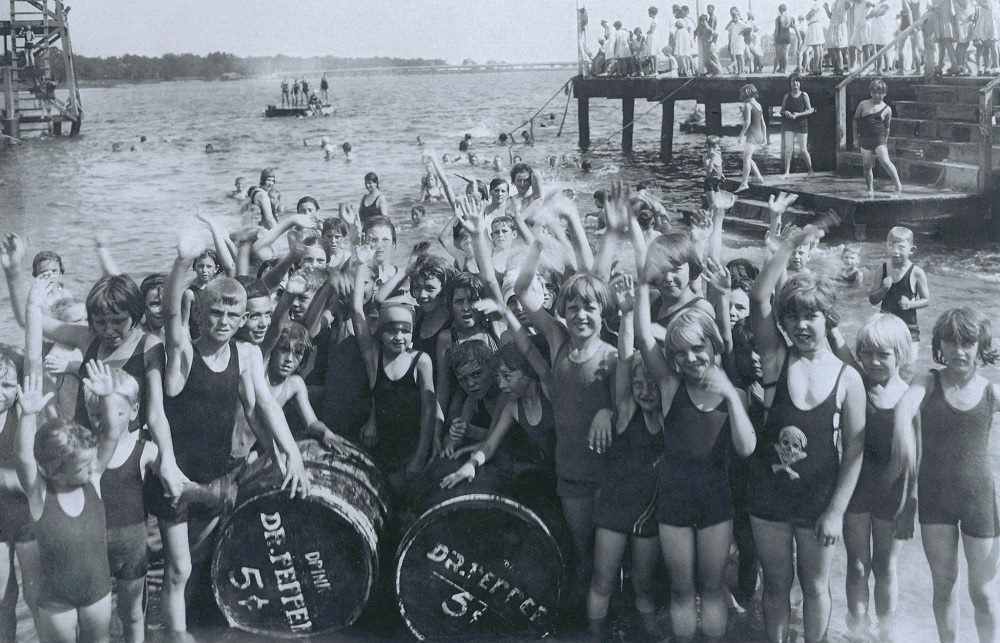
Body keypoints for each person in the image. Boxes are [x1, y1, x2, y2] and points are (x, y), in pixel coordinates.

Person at [160, 234, 309, 633]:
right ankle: (172, 632)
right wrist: (181, 262)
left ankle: (192, 627)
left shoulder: (246, 354)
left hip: (216, 474)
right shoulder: (185, 352)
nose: (223, 323)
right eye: (215, 315)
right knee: (178, 570)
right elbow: (170, 312)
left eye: (232, 317)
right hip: (177, 474)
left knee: (200, 561)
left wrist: (290, 452)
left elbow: (265, 404)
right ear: (201, 312)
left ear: (242, 320)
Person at [748, 205, 866, 643]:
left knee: (816, 587)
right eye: (793, 317)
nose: (800, 325)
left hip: (818, 500)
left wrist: (836, 511)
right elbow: (761, 298)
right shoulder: (778, 360)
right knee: (775, 587)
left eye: (810, 316)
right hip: (769, 496)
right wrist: (791, 245)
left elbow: (855, 449)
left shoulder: (847, 377)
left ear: (826, 318)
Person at [893, 308, 1000, 643]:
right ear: (939, 345)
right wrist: (905, 442)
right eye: (950, 342)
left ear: (981, 345)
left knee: (982, 593)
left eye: (968, 342)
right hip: (935, 499)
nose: (959, 350)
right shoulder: (927, 381)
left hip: (979, 501)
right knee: (944, 585)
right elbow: (904, 409)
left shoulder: (991, 392)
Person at [586, 275, 663, 640]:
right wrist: (628, 313)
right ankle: (595, 634)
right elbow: (625, 356)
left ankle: (647, 634)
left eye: (653, 385)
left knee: (644, 585)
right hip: (614, 507)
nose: (645, 391)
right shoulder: (627, 409)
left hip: (649, 513)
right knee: (602, 580)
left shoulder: (667, 420)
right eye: (638, 385)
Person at [13, 373, 116, 643]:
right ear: (55, 471)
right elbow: (24, 459)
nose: (94, 468)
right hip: (57, 602)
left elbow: (111, 434)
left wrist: (106, 398)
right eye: (84, 466)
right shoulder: (41, 494)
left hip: (97, 592)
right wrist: (27, 416)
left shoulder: (93, 480)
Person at [838, 314, 914, 642]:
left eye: (883, 354)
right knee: (856, 566)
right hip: (855, 492)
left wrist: (910, 506)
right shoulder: (856, 382)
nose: (873, 361)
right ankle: (857, 629)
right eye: (866, 353)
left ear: (901, 354)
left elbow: (915, 461)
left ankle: (886, 633)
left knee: (885, 568)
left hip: (891, 493)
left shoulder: (911, 397)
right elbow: (838, 346)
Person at [868, 226, 929, 363]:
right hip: (886, 327)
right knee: (885, 364)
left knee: (908, 365)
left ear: (911, 250)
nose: (895, 251)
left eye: (901, 247)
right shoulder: (882, 269)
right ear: (886, 246)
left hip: (909, 329)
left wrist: (911, 304)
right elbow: (872, 299)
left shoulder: (916, 272)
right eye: (891, 246)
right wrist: (884, 289)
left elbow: (926, 300)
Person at [853, 78, 903, 197]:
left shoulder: (887, 109)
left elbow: (887, 127)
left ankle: (898, 185)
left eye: (880, 93)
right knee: (867, 165)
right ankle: (870, 189)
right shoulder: (863, 104)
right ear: (870, 93)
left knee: (885, 160)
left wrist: (885, 140)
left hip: (879, 139)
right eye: (874, 92)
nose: (877, 95)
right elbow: (855, 122)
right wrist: (855, 138)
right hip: (865, 138)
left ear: (884, 94)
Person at [780, 74, 815, 177]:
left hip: (801, 123)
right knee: (788, 149)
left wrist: (799, 114)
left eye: (797, 81)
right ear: (790, 84)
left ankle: (810, 170)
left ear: (800, 83)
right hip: (789, 124)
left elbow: (811, 110)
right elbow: (781, 110)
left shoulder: (804, 95)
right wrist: (785, 112)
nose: (795, 83)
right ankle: (787, 172)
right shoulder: (787, 96)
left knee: (803, 149)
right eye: (792, 82)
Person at [736, 84, 768, 192]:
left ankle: (744, 183)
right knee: (748, 157)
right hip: (759, 134)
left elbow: (747, 122)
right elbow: (763, 123)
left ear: (746, 94)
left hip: (752, 135)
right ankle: (758, 177)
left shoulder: (748, 105)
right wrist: (765, 137)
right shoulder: (759, 105)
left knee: (746, 158)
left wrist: (740, 136)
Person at [806, 0, 830, 74]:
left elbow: (809, 16)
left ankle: (815, 69)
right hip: (818, 25)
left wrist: (806, 16)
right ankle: (819, 69)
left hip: (814, 25)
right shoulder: (820, 3)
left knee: (816, 48)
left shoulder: (816, 3)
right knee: (819, 48)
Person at [775, 4, 794, 72]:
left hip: (780, 36)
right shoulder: (790, 17)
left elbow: (776, 30)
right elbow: (792, 26)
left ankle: (777, 70)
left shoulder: (778, 18)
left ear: (779, 10)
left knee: (778, 54)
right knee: (786, 54)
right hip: (787, 36)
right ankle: (785, 70)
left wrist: (775, 39)